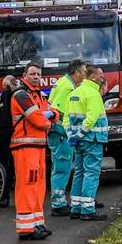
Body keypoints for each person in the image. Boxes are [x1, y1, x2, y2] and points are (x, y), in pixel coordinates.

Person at [10, 62, 54, 240]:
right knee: (27, 186)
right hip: (25, 147)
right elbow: (38, 119)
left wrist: (50, 116)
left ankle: (36, 224)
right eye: (33, 74)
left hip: (37, 146)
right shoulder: (22, 94)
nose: (36, 77)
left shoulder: (37, 95)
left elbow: (52, 111)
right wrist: (49, 120)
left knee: (38, 186)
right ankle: (26, 229)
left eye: (38, 74)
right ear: (25, 75)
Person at [66, 65, 109, 220]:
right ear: (92, 77)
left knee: (79, 172)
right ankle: (88, 210)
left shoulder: (74, 93)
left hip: (78, 141)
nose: (103, 78)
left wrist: (72, 135)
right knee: (91, 173)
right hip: (92, 139)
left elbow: (67, 117)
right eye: (101, 75)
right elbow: (92, 118)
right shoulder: (93, 94)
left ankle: (76, 207)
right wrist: (81, 134)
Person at [48, 59, 86, 217]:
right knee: (62, 167)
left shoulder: (62, 82)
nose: (85, 75)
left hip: (57, 133)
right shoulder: (67, 87)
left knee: (59, 166)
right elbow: (58, 112)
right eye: (84, 71)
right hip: (60, 134)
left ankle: (59, 201)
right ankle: (58, 204)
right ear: (77, 72)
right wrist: (68, 133)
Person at [0, 75, 17, 207]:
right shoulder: (16, 97)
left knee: (3, 166)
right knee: (12, 167)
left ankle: (3, 197)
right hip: (15, 135)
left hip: (2, 136)